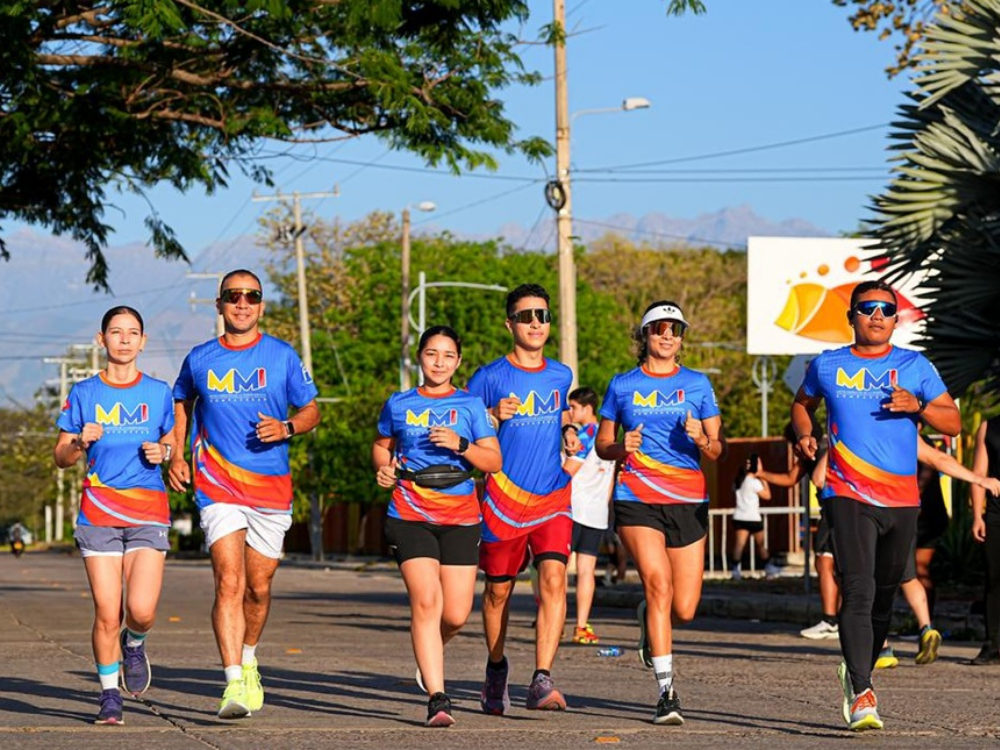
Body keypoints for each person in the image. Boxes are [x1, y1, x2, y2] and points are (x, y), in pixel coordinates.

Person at [792, 280, 961, 732]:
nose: (877, 315)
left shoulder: (914, 365)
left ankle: (857, 669)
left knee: (885, 596)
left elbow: (954, 422)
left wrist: (918, 405)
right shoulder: (828, 364)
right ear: (852, 316)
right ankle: (863, 692)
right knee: (859, 588)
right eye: (868, 308)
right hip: (846, 492)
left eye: (887, 309)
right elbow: (802, 404)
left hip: (901, 499)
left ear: (896, 319)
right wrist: (806, 433)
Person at [168, 270, 320, 720]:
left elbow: (311, 409)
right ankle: (233, 680)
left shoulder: (282, 356)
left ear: (261, 306)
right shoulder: (200, 358)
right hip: (217, 483)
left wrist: (288, 427)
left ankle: (249, 658)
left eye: (251, 296)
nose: (242, 303)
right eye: (233, 296)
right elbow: (181, 402)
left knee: (258, 588)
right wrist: (178, 454)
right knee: (229, 582)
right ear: (219, 305)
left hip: (270, 487)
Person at [596, 300, 725, 726]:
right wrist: (622, 447)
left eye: (675, 329)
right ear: (644, 334)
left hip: (688, 499)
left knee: (684, 608)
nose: (667, 335)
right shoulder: (622, 385)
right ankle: (667, 693)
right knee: (658, 583)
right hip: (637, 497)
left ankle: (647, 620)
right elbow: (602, 445)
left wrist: (701, 438)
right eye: (659, 328)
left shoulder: (698, 384)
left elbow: (717, 449)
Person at [371, 325, 502, 727]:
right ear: (420, 358)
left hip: (461, 516)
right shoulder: (399, 403)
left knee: (457, 614)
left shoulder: (471, 405)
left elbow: (494, 461)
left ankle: (429, 654)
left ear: (458, 362)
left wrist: (461, 444)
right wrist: (384, 469)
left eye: (447, 355)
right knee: (427, 602)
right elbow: (381, 445)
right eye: (431, 354)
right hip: (410, 512)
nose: (439, 362)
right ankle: (437, 697)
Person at [53, 306, 175, 725]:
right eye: (116, 332)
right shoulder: (84, 393)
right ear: (100, 339)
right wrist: (78, 443)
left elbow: (171, 443)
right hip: (99, 512)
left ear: (143, 341)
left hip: (148, 510)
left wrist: (165, 452)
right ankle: (109, 696)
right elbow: (61, 456)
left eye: (132, 333)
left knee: (141, 610)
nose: (124, 339)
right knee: (108, 612)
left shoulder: (159, 392)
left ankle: (134, 642)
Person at [467, 283, 574, 714]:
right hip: (503, 500)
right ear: (509, 324)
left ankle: (542, 678)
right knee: (498, 592)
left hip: (552, 495)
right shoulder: (489, 377)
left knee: (554, 579)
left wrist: (569, 432)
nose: (535, 323)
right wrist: (491, 416)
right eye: (526, 316)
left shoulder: (561, 375)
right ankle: (496, 668)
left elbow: (562, 416)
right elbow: (462, 430)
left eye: (542, 316)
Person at [756, 424, 838, 639]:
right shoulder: (814, 454)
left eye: (793, 445)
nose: (792, 450)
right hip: (838, 512)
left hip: (835, 512)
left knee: (825, 562)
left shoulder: (823, 451)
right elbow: (790, 479)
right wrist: (761, 474)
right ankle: (841, 619)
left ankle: (831, 621)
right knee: (838, 566)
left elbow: (814, 481)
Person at [562, 386, 616, 644]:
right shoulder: (610, 438)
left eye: (573, 407)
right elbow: (611, 481)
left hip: (572, 510)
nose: (571, 413)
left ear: (587, 408)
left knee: (558, 569)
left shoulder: (585, 435)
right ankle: (581, 626)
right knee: (587, 571)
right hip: (596, 513)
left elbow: (567, 473)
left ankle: (556, 622)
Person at [971, 418, 1000, 665]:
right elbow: (979, 473)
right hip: (995, 513)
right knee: (994, 578)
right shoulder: (989, 427)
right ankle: (993, 644)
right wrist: (977, 516)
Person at [730, 456, 778, 580]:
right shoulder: (754, 482)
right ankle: (768, 568)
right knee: (761, 545)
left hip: (739, 515)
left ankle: (735, 570)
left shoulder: (738, 481)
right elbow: (767, 496)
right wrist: (764, 479)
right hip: (753, 517)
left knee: (739, 545)